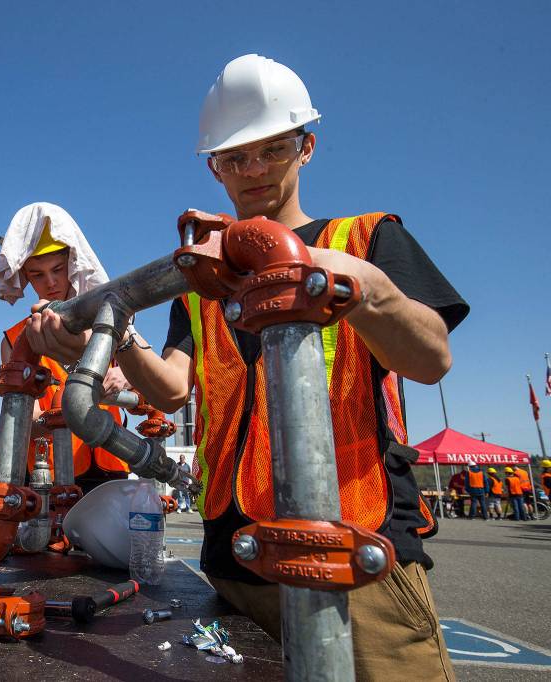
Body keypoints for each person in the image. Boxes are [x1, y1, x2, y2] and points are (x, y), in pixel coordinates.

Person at [24, 54, 468, 679]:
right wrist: (118, 334)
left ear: (306, 146)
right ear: (214, 169)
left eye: (272, 151)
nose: (253, 171)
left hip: (351, 555)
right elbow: (174, 390)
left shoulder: (367, 239)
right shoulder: (203, 279)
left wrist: (365, 287)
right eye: (234, 159)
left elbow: (431, 359)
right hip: (236, 558)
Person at [0, 203, 130, 494]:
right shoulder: (15, 339)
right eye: (38, 274)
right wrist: (65, 414)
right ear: (25, 277)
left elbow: (148, 386)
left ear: (74, 264)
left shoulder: (110, 325)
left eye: (57, 269)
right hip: (48, 475)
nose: (51, 282)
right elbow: (22, 421)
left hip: (110, 463)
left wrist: (126, 378)